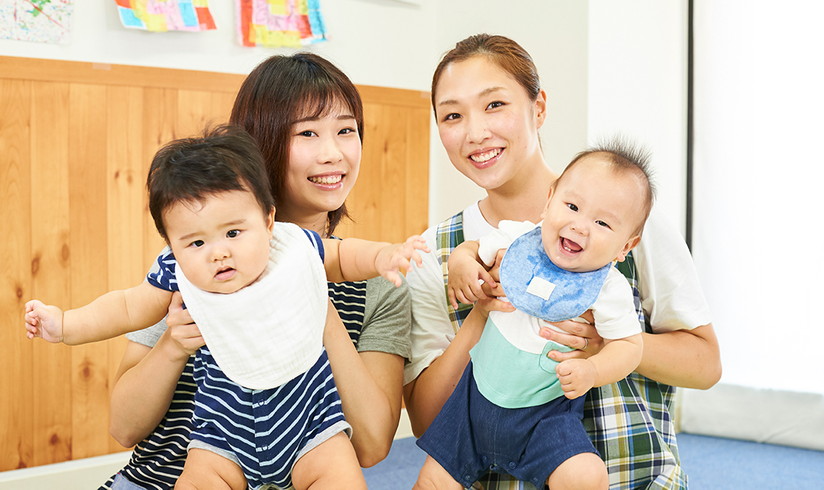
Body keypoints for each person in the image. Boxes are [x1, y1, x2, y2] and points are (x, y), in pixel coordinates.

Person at [24, 125, 426, 489]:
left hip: (309, 426)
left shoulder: (290, 248)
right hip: (219, 436)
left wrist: (383, 257)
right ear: (172, 244)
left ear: (268, 220)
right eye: (196, 243)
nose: (218, 253)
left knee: (341, 479)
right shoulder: (177, 274)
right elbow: (127, 306)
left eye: (234, 232)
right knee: (197, 481)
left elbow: (343, 257)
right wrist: (64, 324)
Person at [403, 34, 721, 489]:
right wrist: (480, 311)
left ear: (539, 108)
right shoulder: (437, 252)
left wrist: (608, 347)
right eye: (453, 115)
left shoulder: (631, 224)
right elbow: (428, 422)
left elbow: (706, 364)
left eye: (494, 105)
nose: (475, 132)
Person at [87, 53, 413, 490]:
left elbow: (372, 445)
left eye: (346, 130)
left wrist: (316, 302)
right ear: (265, 141)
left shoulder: (378, 282)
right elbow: (124, 427)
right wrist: (173, 343)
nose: (333, 153)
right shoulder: (199, 265)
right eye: (308, 133)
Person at [415, 145, 653, 489]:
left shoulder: (607, 288)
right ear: (549, 200)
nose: (579, 225)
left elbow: (629, 346)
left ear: (625, 247)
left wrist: (593, 370)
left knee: (586, 475)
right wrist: (461, 265)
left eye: (602, 223)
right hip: (471, 405)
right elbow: (471, 250)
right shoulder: (517, 239)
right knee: (431, 482)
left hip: (545, 417)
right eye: (571, 206)